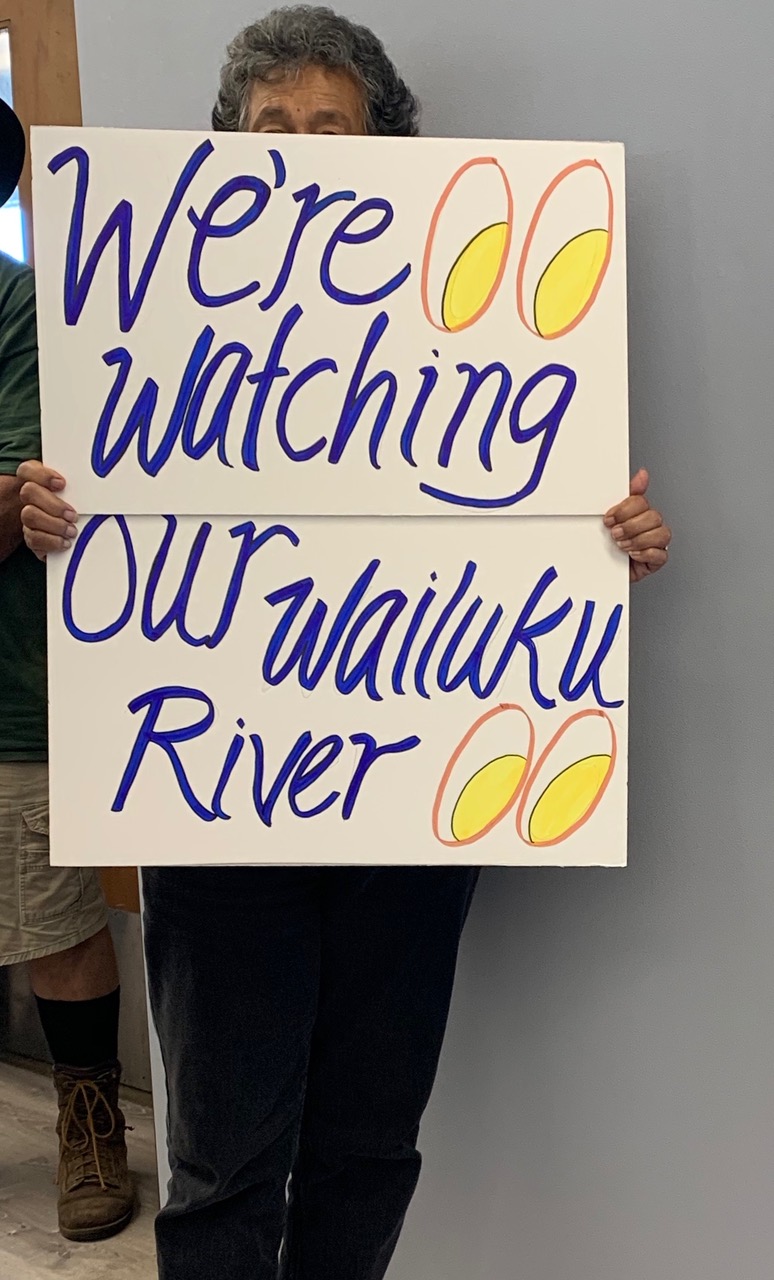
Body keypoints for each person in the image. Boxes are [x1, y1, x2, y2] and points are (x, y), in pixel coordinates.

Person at [17, 7, 672, 1278]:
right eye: (275, 125)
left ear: (390, 154)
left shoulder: (475, 326)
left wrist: (609, 539)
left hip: (408, 806)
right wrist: (50, 508)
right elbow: (100, 500)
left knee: (369, 1142)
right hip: (217, 800)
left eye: (335, 125)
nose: (304, 146)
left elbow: (533, 512)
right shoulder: (147, 318)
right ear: (225, 149)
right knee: (223, 1158)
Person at [0, 96, 135, 1243]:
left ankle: (92, 1122)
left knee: (57, 924)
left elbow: (19, 503)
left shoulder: (24, 312)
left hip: (17, 698)